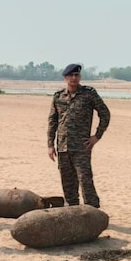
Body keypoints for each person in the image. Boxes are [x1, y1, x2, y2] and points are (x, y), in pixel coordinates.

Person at [47, 63, 110, 208]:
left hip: (82, 147)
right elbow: (52, 121)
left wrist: (97, 136)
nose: (74, 78)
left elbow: (105, 114)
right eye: (71, 76)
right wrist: (50, 144)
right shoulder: (58, 97)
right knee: (67, 183)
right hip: (63, 147)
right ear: (65, 78)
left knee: (85, 181)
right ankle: (73, 210)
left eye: (77, 75)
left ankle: (93, 210)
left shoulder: (89, 94)